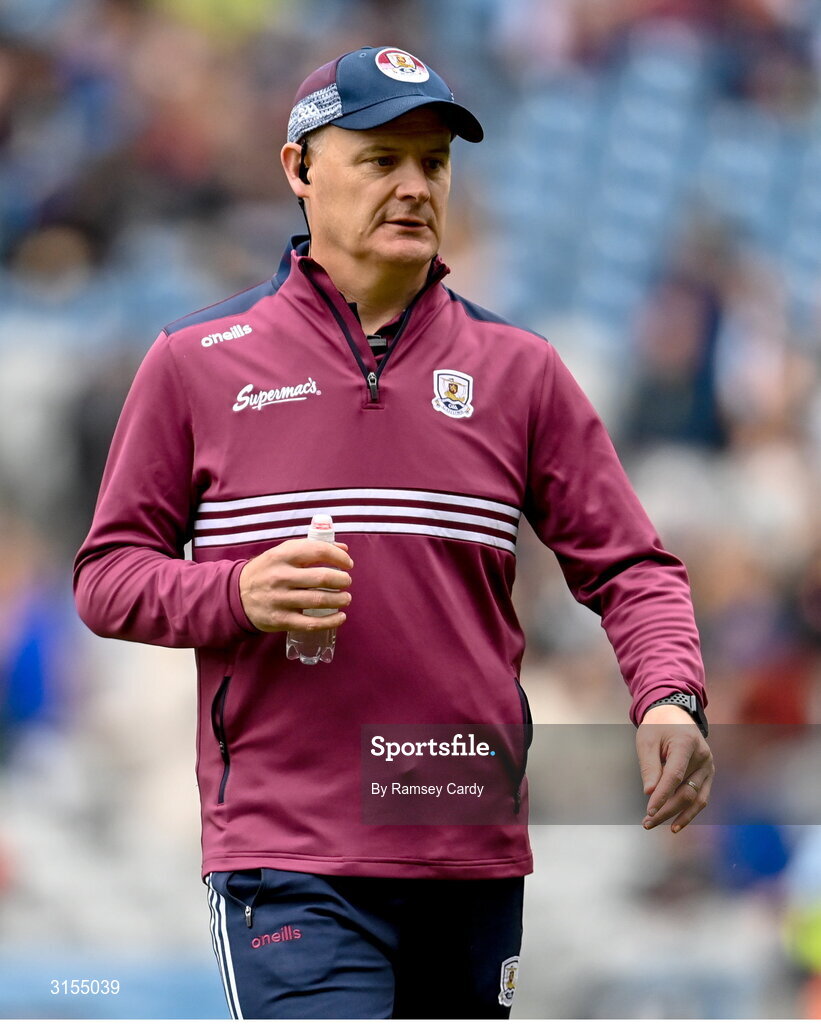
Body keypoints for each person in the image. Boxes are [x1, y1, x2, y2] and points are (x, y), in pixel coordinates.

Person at [73, 45, 715, 1020]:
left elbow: (632, 566)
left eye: (433, 162)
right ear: (298, 169)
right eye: (381, 159)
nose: (415, 185)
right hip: (290, 852)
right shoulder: (194, 363)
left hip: (467, 841)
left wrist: (668, 695)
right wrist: (236, 593)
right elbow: (107, 577)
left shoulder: (520, 370)